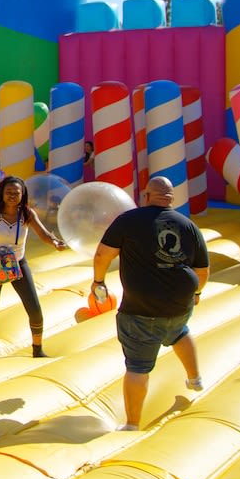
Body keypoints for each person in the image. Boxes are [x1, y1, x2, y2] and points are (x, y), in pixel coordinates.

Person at [92, 176, 209, 431]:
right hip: (180, 303)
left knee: (137, 365)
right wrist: (197, 294)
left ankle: (132, 423)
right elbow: (203, 270)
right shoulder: (188, 225)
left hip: (140, 309)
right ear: (171, 198)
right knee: (179, 332)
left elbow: (103, 253)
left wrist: (98, 281)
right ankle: (195, 379)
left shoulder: (130, 220)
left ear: (146, 196)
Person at [0, 175, 66, 360]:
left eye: (17, 193)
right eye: (9, 192)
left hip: (18, 263)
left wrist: (55, 242)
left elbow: (44, 234)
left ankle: (37, 349)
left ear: (22, 195)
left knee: (35, 310)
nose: (13, 196)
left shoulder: (26, 214)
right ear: (2, 194)